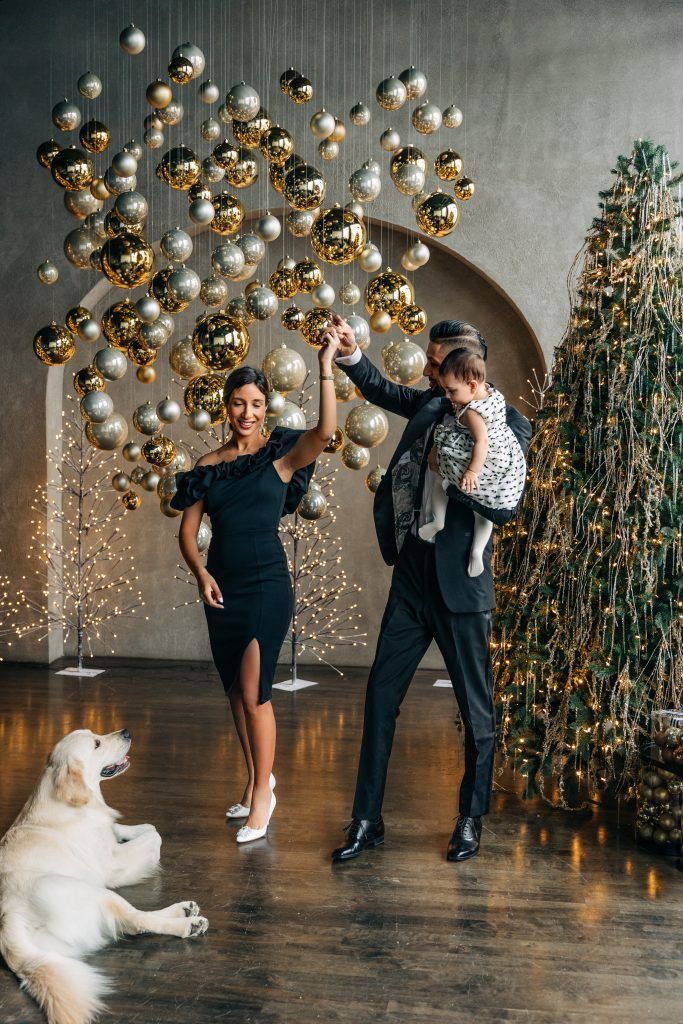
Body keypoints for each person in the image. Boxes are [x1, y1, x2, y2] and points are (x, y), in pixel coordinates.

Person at [323, 316, 531, 863]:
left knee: (476, 712)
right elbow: (384, 389)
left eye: (436, 364)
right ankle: (367, 819)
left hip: (462, 587)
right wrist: (349, 352)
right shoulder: (436, 404)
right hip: (412, 580)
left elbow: (506, 505)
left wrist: (458, 470)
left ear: (467, 365)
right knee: (378, 699)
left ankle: (470, 819)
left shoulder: (507, 422)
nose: (427, 371)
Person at [171, 333, 340, 844]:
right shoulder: (207, 466)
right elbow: (186, 532)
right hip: (222, 587)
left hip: (267, 584)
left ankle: (265, 797)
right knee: (234, 694)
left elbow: (326, 432)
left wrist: (325, 364)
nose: (248, 412)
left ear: (267, 408)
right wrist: (201, 575)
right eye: (240, 403)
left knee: (254, 691)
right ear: (227, 407)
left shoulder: (281, 457)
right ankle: (254, 780)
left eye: (258, 404)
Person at [418, 348, 527, 578]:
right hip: (503, 459)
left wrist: (471, 471)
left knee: (440, 476)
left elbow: (481, 441)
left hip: (482, 459)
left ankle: (438, 521)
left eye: (451, 391)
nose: (448, 396)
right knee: (486, 509)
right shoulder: (491, 393)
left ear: (472, 385)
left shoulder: (472, 412)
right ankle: (477, 551)